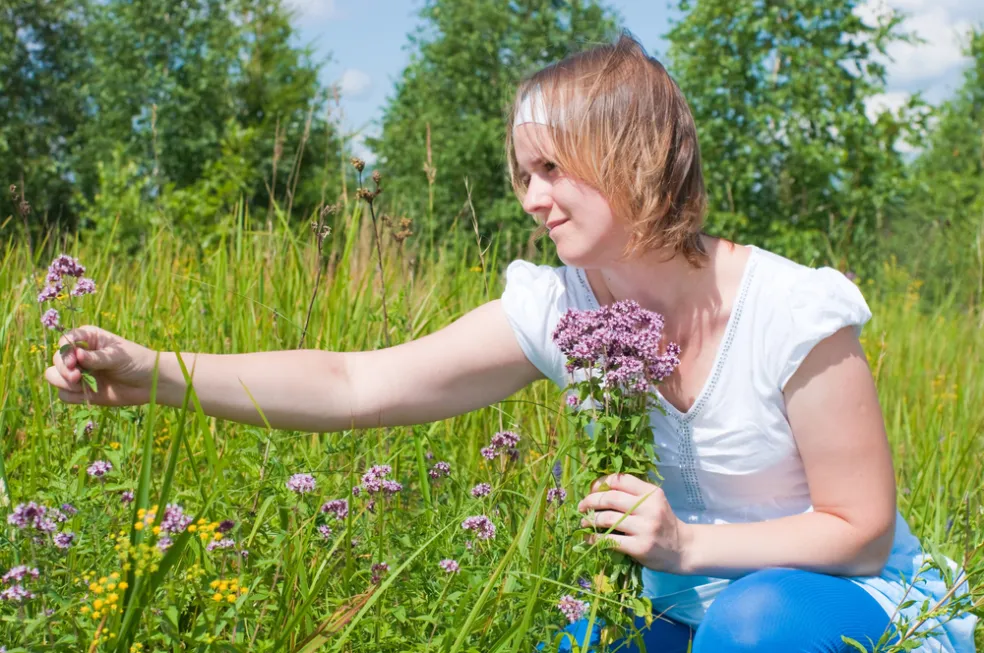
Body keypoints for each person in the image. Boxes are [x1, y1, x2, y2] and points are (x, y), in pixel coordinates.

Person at [45, 33, 975, 653]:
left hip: (839, 605)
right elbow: (357, 381)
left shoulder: (791, 310)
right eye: (522, 172)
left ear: (637, 156)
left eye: (554, 168)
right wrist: (156, 373)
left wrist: (687, 545)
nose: (531, 197)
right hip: (683, 604)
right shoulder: (563, 307)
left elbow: (858, 534)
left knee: (755, 623)